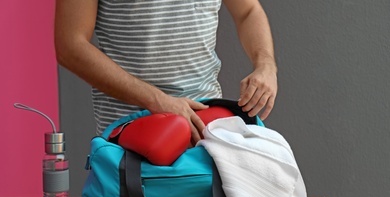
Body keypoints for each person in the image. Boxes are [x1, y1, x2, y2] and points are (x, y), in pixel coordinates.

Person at [55, 0, 278, 145]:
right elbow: (70, 45)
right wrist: (158, 100)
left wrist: (266, 64)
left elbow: (249, 11)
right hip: (130, 138)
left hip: (206, 132)